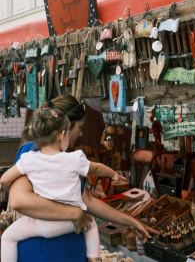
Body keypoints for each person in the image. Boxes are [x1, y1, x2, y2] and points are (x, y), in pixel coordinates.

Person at [7, 95, 158, 262]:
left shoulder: (64, 161)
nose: (80, 133)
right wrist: (74, 213)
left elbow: (89, 202)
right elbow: (18, 200)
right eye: (79, 127)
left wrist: (130, 221)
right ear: (65, 128)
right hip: (45, 253)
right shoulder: (33, 150)